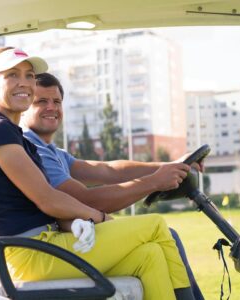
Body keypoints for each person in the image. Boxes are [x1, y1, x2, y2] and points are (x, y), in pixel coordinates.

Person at [0, 46, 194, 299]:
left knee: (149, 256)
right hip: (29, 254)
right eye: (12, 75)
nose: (24, 82)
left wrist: (78, 221)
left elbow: (102, 171)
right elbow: (48, 199)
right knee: (155, 225)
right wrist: (99, 218)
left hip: (44, 245)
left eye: (29, 75)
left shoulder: (19, 138)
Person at [22, 72, 203, 299]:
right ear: (25, 107)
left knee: (157, 247)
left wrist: (170, 165)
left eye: (57, 102)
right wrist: (154, 182)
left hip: (70, 238)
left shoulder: (54, 152)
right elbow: (85, 200)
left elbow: (107, 170)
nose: (52, 107)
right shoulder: (33, 149)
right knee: (163, 232)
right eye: (41, 101)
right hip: (55, 248)